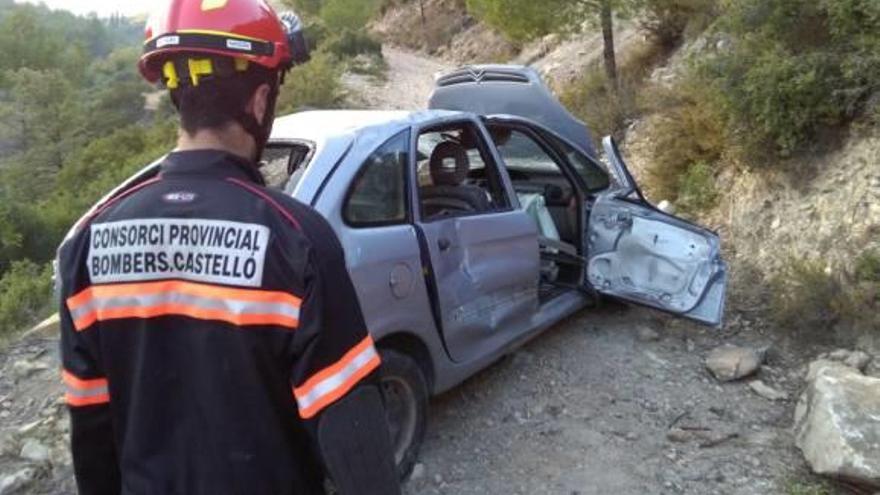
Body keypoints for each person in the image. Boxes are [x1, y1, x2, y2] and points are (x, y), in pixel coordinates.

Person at [56, 1, 401, 493]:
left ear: (178, 96)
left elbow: (92, 434)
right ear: (260, 102)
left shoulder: (88, 241)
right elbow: (355, 440)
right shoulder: (296, 238)